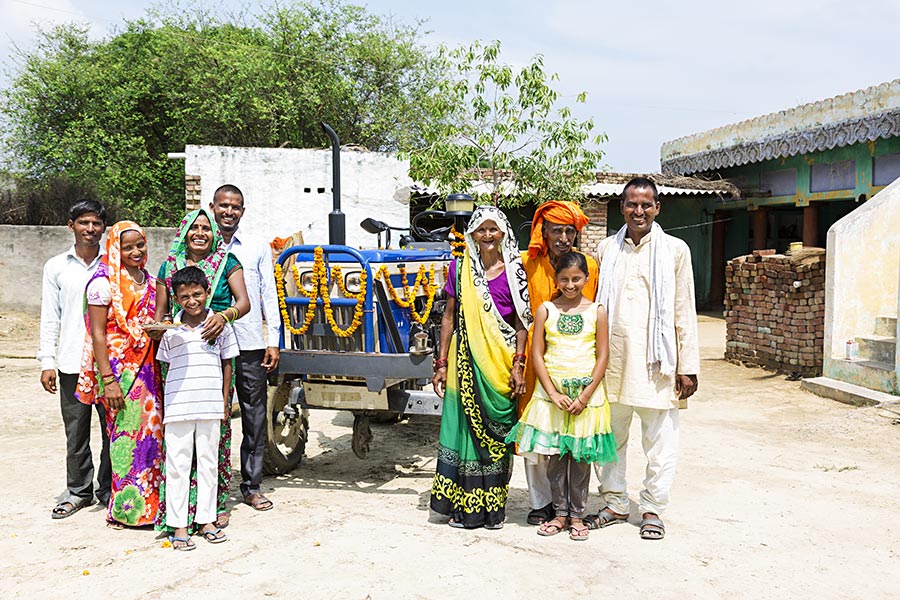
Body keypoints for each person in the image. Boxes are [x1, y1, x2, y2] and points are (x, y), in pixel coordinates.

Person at [590, 177, 700, 540]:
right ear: (621, 207)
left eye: (646, 205)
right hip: (613, 360)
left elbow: (684, 308)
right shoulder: (606, 249)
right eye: (632, 205)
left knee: (660, 442)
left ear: (657, 208)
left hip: (658, 364)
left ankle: (653, 507)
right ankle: (615, 502)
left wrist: (688, 367)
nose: (639, 211)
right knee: (608, 438)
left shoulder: (675, 250)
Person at [430, 206, 531, 530]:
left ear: (503, 233)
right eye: (481, 230)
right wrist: (442, 362)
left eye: (494, 229)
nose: (488, 236)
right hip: (465, 360)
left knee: (497, 433)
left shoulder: (515, 270)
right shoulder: (459, 268)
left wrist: (519, 364)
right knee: (465, 433)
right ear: (472, 234)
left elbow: (521, 322)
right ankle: (464, 509)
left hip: (499, 364)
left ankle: (493, 511)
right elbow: (448, 316)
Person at [507, 252, 617, 541]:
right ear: (555, 278)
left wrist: (585, 395)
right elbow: (538, 354)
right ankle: (559, 514)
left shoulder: (597, 311)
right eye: (564, 279)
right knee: (554, 456)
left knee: (580, 457)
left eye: (576, 278)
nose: (570, 284)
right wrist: (553, 392)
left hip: (586, 396)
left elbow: (603, 355)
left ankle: (578, 515)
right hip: (551, 395)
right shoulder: (546, 310)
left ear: (587, 278)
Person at [154, 207, 250, 531]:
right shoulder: (169, 265)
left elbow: (244, 302)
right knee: (179, 450)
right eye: (193, 228)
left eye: (205, 228)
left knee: (214, 443)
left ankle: (212, 508)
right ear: (183, 232)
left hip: (217, 348)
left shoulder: (227, 261)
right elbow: (161, 313)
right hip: (180, 357)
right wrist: (164, 329)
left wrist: (223, 317)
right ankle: (179, 518)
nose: (200, 233)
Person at [77, 221, 163, 527]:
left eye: (140, 245)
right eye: (128, 247)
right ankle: (127, 510)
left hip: (149, 372)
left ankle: (150, 508)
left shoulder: (151, 281)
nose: (136, 252)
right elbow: (97, 334)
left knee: (150, 438)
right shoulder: (103, 283)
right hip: (119, 374)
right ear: (116, 248)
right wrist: (109, 381)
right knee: (124, 440)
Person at [519, 200, 599, 526]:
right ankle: (542, 503)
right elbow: (518, 315)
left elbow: (595, 312)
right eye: (557, 230)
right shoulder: (527, 263)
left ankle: (570, 507)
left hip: (576, 361)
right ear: (544, 230)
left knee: (575, 436)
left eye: (570, 230)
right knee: (538, 431)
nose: (564, 237)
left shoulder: (590, 267)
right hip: (536, 362)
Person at [157, 267, 240, 550]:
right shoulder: (170, 331)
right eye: (184, 297)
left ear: (207, 292)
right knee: (178, 465)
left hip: (210, 405)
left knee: (208, 463)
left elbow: (228, 363)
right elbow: (165, 367)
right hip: (179, 406)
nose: (192, 301)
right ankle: (178, 525)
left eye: (197, 294)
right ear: (177, 299)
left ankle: (207, 520)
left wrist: (225, 401)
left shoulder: (220, 327)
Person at [209, 184, 281, 513]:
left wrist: (273, 340)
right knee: (211, 415)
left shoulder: (255, 247)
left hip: (249, 344)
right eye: (223, 205)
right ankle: (211, 488)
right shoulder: (201, 245)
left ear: (242, 211)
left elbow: (268, 294)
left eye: (235, 207)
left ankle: (251, 485)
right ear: (213, 207)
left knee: (254, 416)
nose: (229, 211)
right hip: (208, 345)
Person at [39, 200, 112, 519]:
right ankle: (79, 490)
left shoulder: (114, 266)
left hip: (110, 365)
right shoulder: (56, 266)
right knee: (76, 431)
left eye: (96, 223)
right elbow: (49, 317)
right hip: (71, 363)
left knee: (113, 431)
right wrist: (46, 360)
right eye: (84, 223)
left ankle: (110, 488)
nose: (90, 229)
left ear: (104, 228)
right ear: (71, 226)